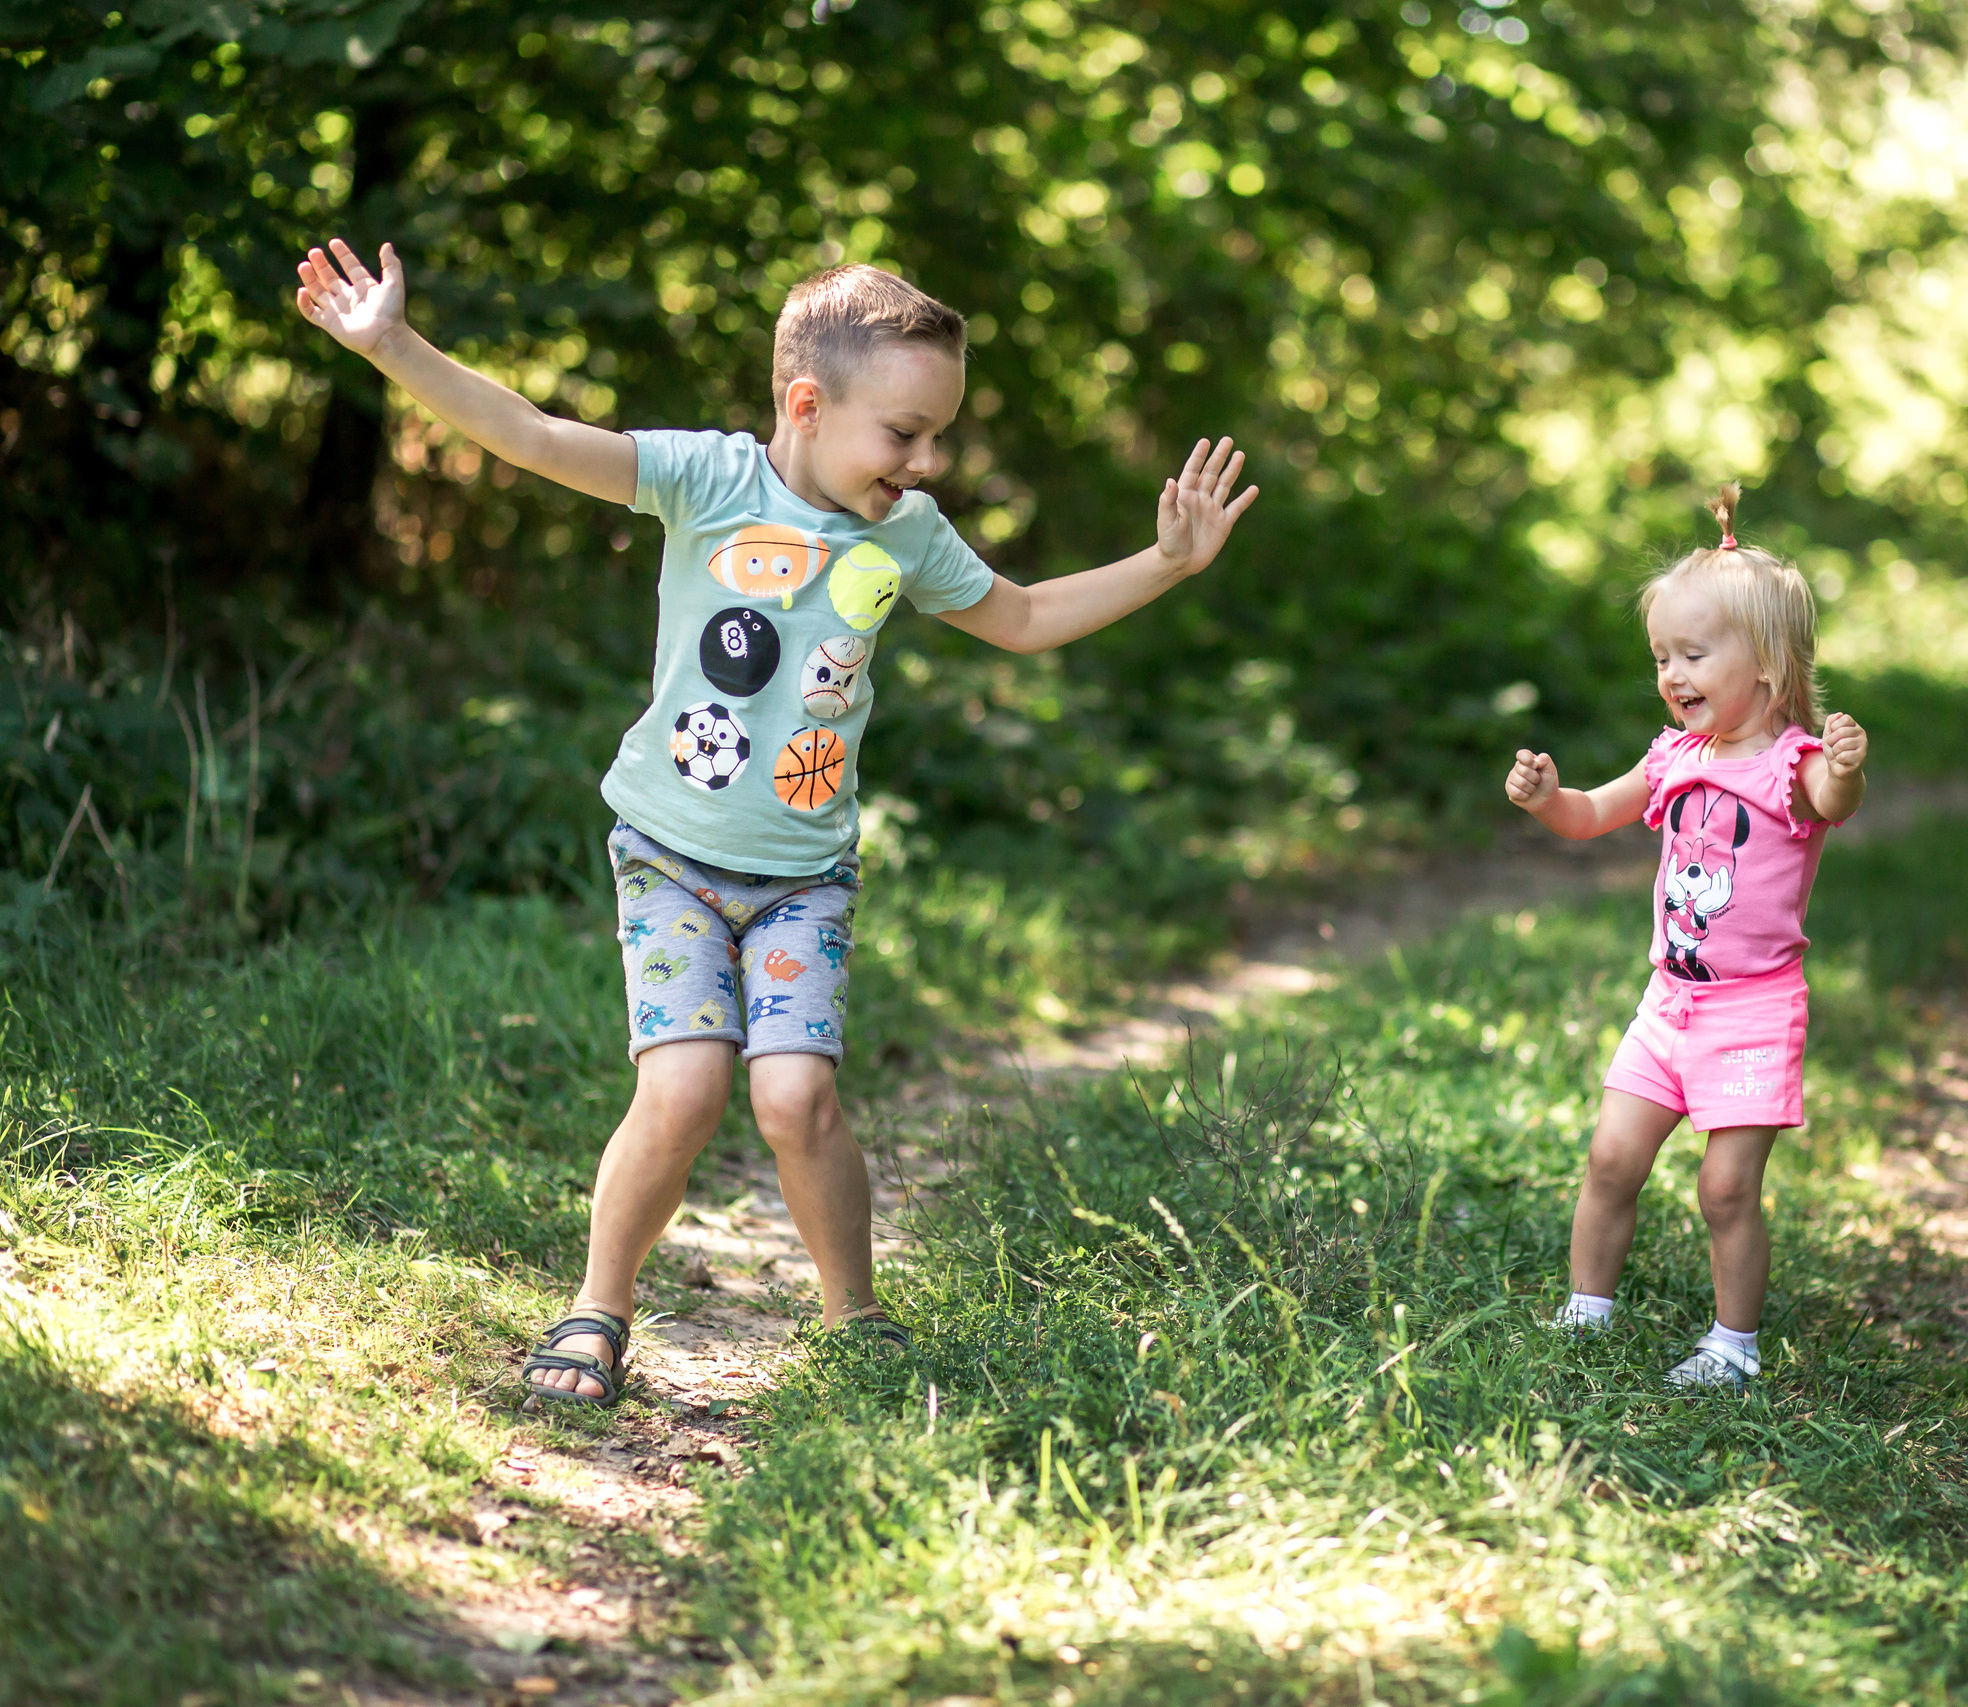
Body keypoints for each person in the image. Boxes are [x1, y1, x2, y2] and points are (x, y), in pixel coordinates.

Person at [294, 238, 1259, 1406]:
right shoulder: (707, 479)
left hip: (805, 873)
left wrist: (1164, 565)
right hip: (670, 856)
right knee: (688, 1086)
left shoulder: (903, 532)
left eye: (938, 435)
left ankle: (855, 1318)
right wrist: (392, 343)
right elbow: (538, 437)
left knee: (796, 1098)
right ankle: (598, 1309)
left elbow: (1023, 616)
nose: (928, 460)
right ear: (807, 403)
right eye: (905, 434)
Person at [1503, 483, 1866, 1395]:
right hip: (1669, 1002)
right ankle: (1587, 1310)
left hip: (1752, 1009)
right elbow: (1592, 815)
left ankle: (1732, 1343)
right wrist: (1551, 798)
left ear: (1772, 667)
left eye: (1695, 652)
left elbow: (1833, 805)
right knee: (1611, 1156)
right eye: (1663, 654)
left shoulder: (1798, 763)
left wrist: (1850, 769)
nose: (1672, 672)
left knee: (1725, 1187)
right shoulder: (1673, 756)